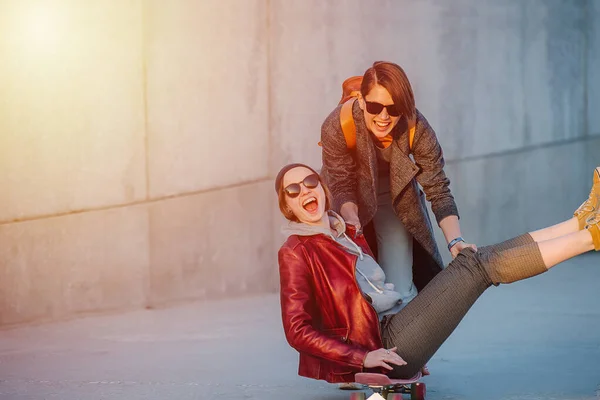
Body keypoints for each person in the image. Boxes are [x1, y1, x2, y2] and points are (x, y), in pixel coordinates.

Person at [276, 162, 599, 384]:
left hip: (396, 326)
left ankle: (579, 223)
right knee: (477, 266)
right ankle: (591, 236)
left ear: (321, 187)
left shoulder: (343, 232)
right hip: (383, 345)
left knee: (475, 256)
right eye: (293, 190)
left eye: (309, 182)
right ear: (287, 206)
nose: (304, 191)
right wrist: (362, 358)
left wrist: (418, 329)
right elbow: (297, 331)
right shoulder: (296, 251)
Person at [321, 61, 474, 309]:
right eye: (375, 106)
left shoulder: (417, 127)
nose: (383, 117)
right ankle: (362, 346)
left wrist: (456, 242)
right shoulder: (338, 125)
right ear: (361, 100)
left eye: (393, 109)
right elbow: (340, 183)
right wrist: (350, 218)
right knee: (351, 290)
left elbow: (437, 187)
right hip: (346, 197)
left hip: (392, 194)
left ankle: (398, 345)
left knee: (400, 290)